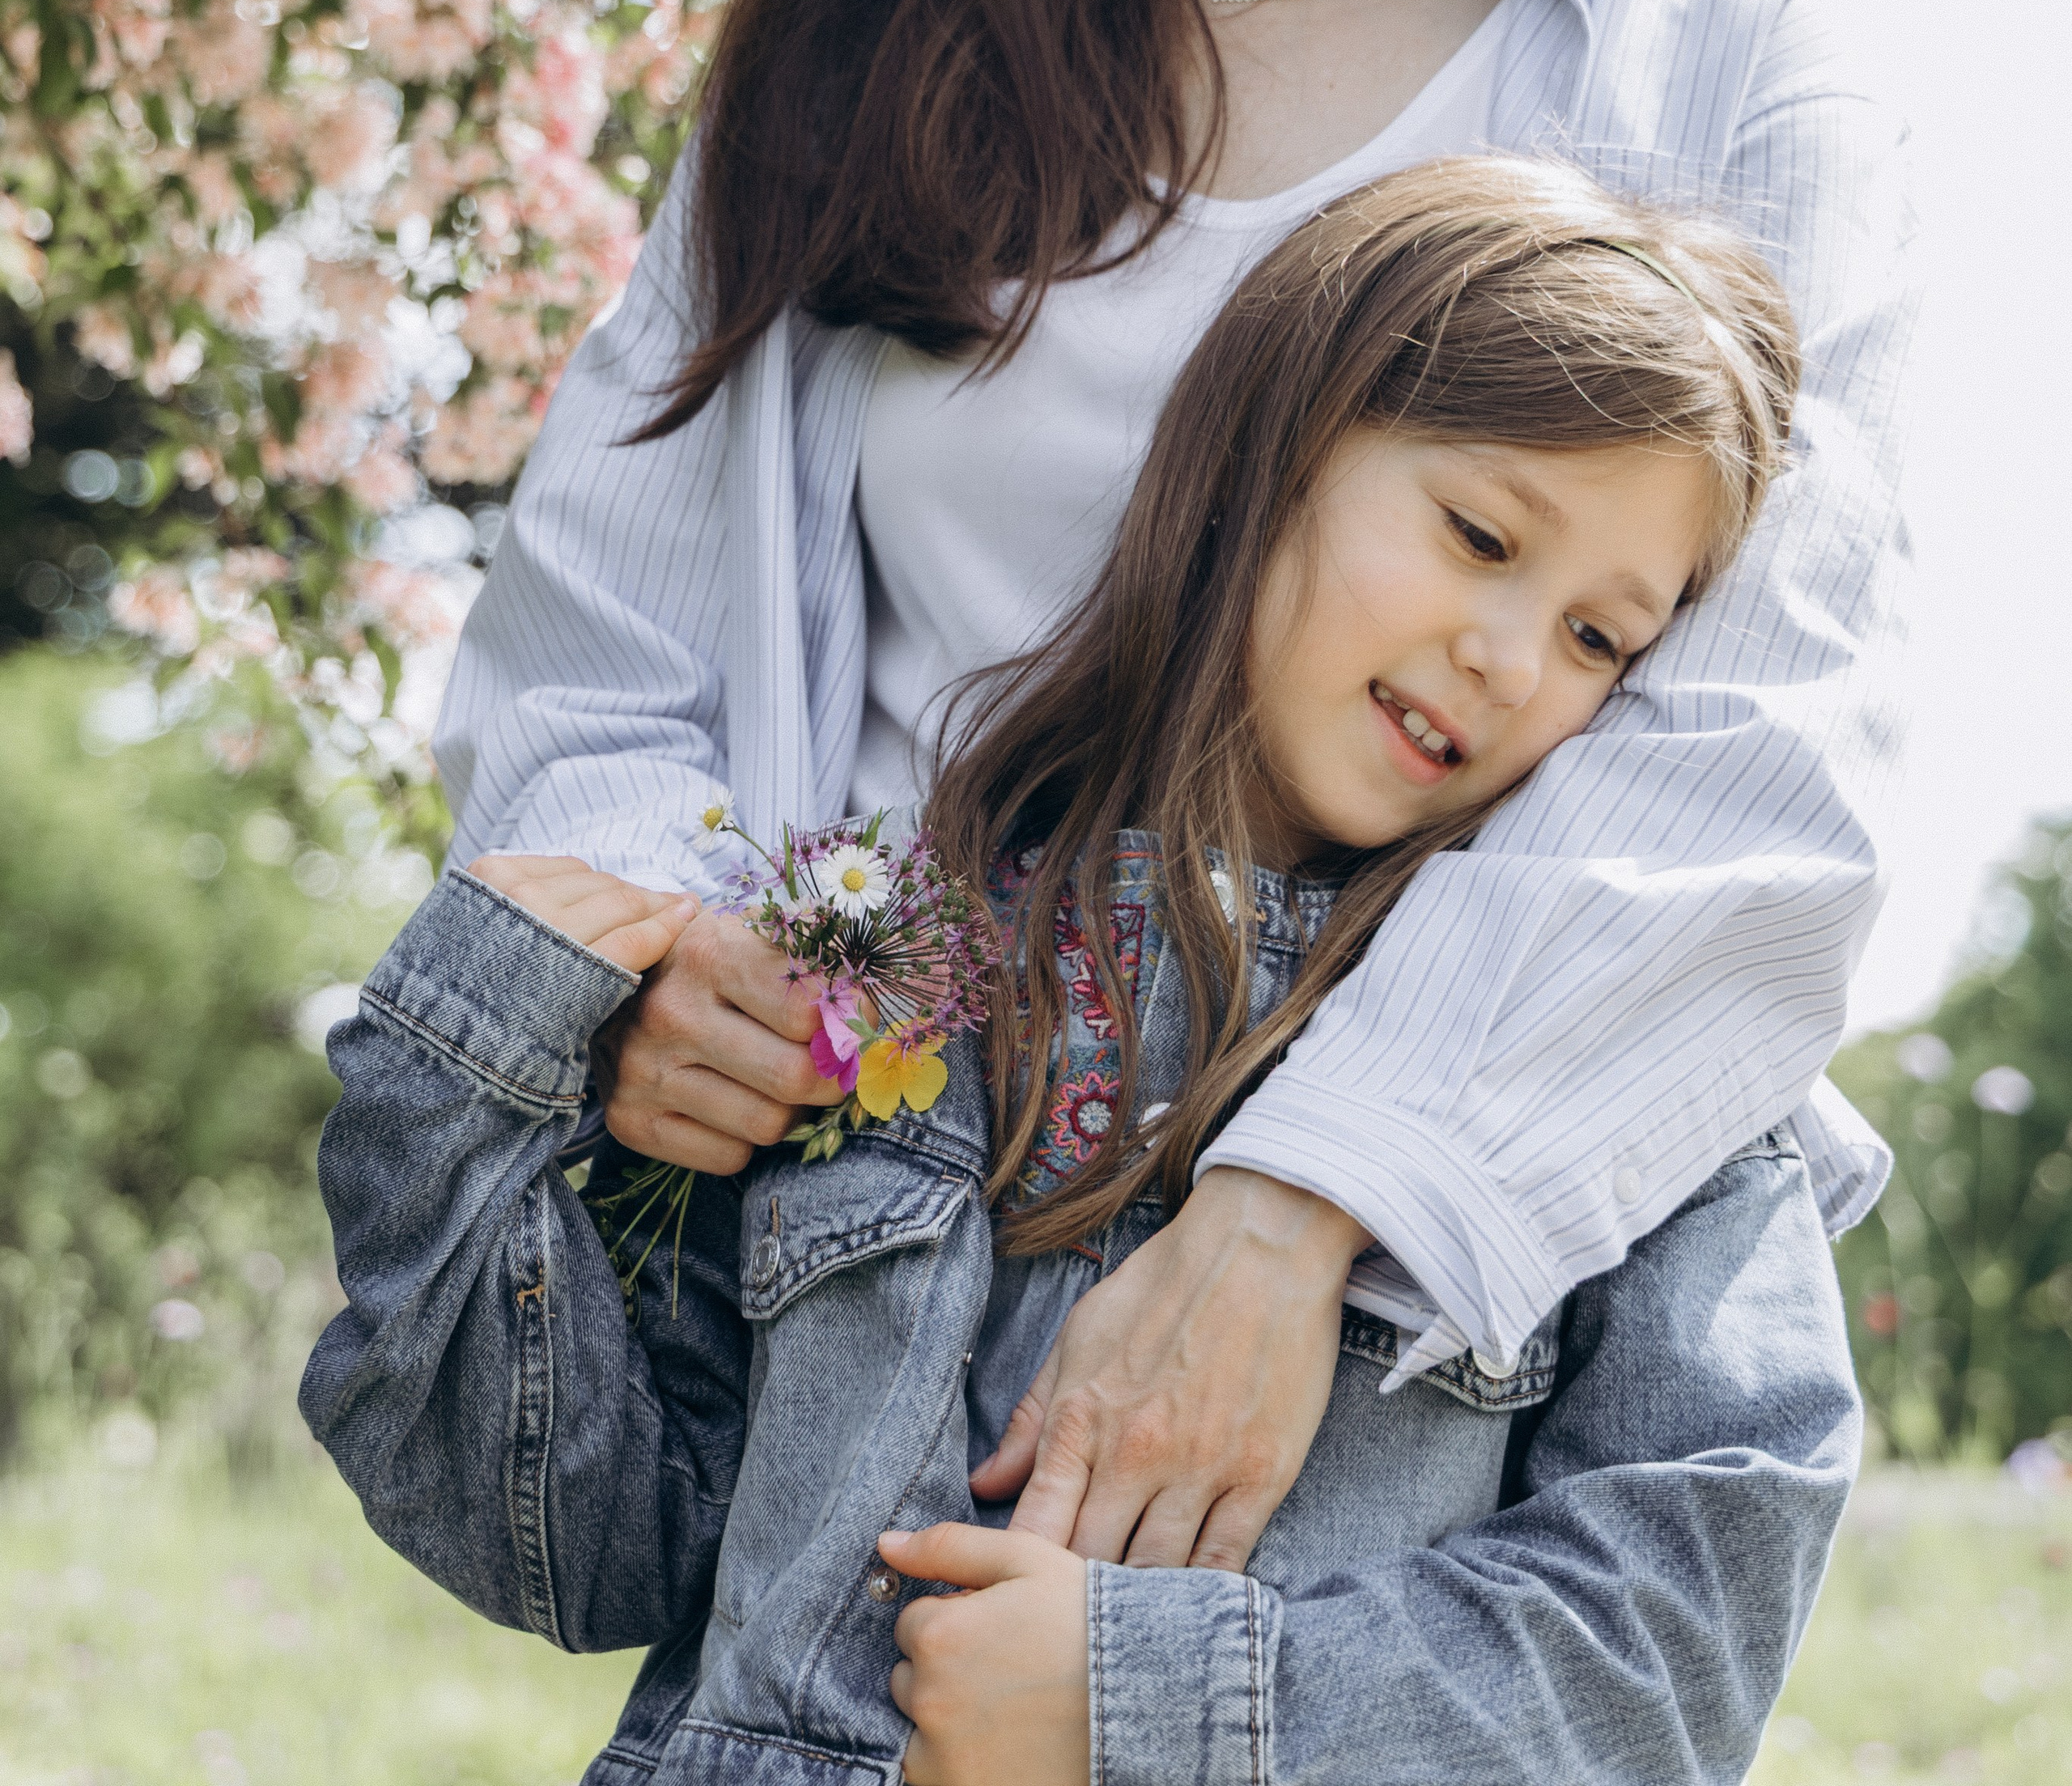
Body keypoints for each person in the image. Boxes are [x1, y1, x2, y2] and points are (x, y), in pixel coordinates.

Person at [431, 0, 1910, 1568]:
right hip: (869, 1303)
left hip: (1425, 1376)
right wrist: (676, 944)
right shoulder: (864, 71)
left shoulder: (1713, 68)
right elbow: (594, 656)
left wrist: (1299, 1205)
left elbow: (1754, 755)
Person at [306, 159, 1855, 1786]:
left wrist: (1159, 1703)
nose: (1512, 657)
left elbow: (1685, 1633)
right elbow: (581, 1545)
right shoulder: (895, 957)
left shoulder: (1624, 1073)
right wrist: (465, 1061)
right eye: (1480, 535)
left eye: (1602, 637)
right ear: (1275, 453)